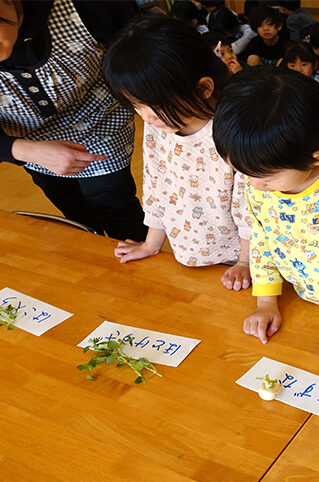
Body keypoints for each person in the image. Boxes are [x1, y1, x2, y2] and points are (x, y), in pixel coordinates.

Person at [212, 67, 319, 374]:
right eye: (242, 172)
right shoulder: (261, 179)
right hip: (305, 298)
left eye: (265, 177)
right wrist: (266, 302)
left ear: (316, 157)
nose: (253, 184)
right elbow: (262, 237)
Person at [103, 17, 251, 291]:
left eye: (154, 105)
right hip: (188, 254)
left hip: (240, 259)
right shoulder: (159, 125)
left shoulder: (233, 130)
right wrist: (151, 244)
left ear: (204, 88)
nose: (145, 116)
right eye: (136, 105)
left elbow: (249, 208)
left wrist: (245, 262)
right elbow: (156, 184)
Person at [0, 0, 146, 242]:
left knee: (115, 207)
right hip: (29, 146)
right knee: (76, 215)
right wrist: (25, 150)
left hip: (100, 124)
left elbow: (143, 54)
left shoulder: (89, 7)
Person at [280, 41, 319, 107]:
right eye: (292, 66)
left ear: (314, 64)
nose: (298, 70)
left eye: (304, 64)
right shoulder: (283, 81)